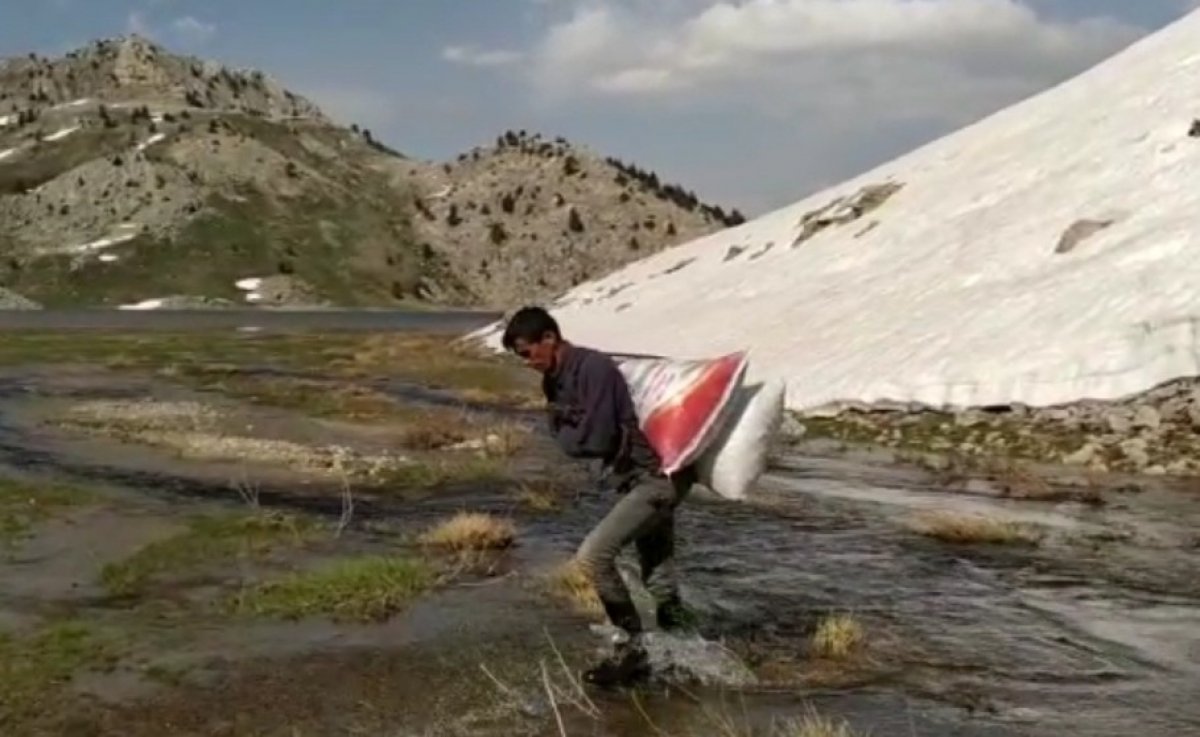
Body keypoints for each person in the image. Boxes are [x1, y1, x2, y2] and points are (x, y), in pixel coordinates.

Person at [501, 305, 696, 687]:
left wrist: (570, 433)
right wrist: (572, 434)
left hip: (654, 480)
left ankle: (631, 650)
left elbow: (592, 439)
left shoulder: (595, 369)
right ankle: (687, 649)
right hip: (630, 481)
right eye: (518, 356)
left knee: (594, 556)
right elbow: (568, 438)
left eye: (527, 353)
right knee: (657, 574)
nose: (525, 362)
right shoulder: (553, 381)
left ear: (549, 339)